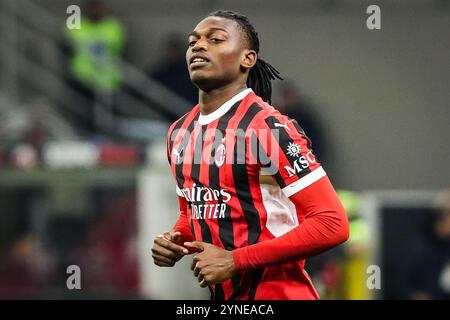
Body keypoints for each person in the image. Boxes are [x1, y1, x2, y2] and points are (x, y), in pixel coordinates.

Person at [151, 10, 349, 300]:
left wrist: (235, 260)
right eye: (192, 41)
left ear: (248, 59)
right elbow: (193, 211)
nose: (199, 46)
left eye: (215, 39)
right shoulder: (179, 133)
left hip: (278, 293)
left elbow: (332, 223)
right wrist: (174, 240)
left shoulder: (267, 128)